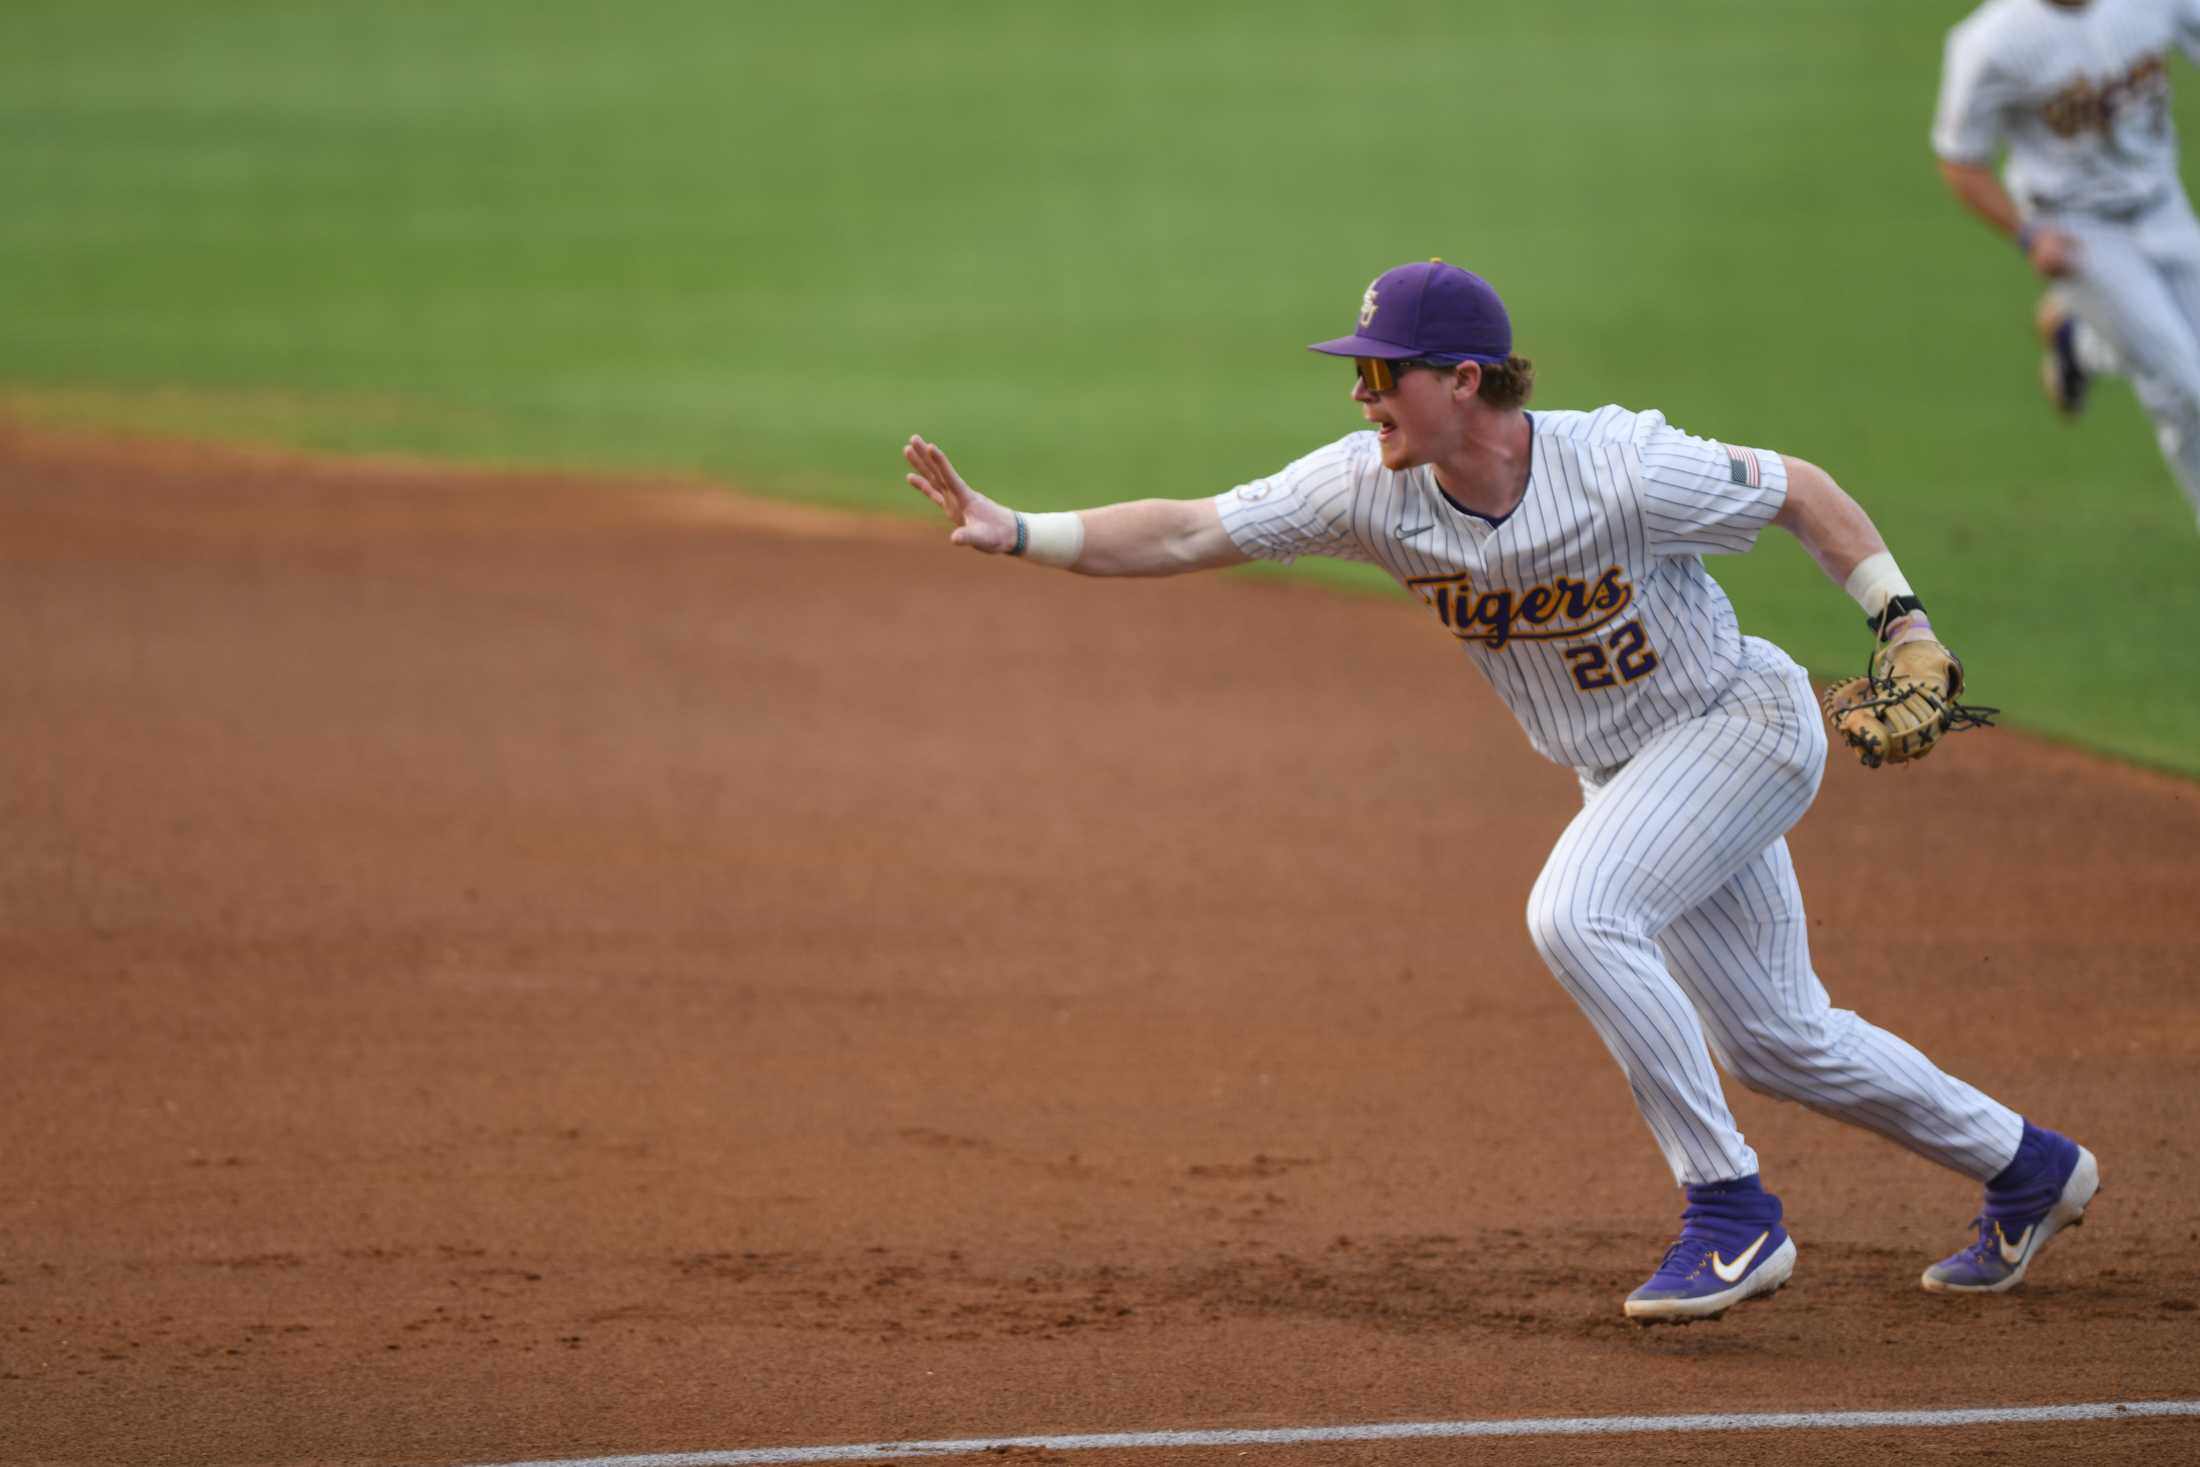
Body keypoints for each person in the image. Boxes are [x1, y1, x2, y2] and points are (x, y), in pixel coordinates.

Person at [901, 259, 2101, 1323]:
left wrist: (1902, 625)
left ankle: (1730, 1212)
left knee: (1576, 914)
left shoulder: (1620, 466)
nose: (1360, 394)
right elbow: (1183, 532)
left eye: (1383, 373)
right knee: (1779, 1039)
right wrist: (1017, 530)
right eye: (1359, 373)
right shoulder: (1367, 488)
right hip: (1623, 769)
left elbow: (1798, 490)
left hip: (1735, 725)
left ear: (1463, 379)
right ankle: (2028, 1166)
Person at [1933, 0, 2200, 530]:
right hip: (2081, 232)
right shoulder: (1991, 42)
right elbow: (1960, 159)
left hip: (2165, 207)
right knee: (2184, 387)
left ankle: (2080, 341)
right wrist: (2029, 236)